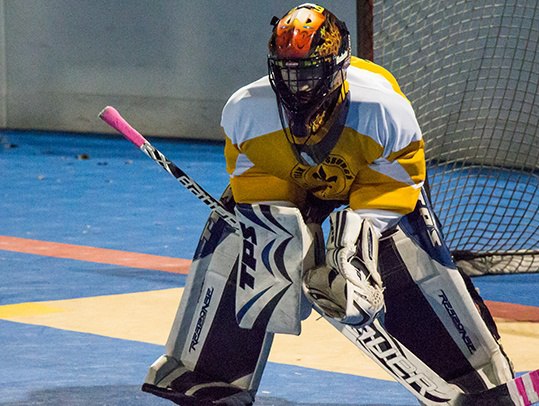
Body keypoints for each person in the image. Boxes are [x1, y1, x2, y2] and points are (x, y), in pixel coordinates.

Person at [141, 4, 515, 405]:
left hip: (367, 184)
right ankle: (206, 373)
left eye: (310, 72)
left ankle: (475, 376)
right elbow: (255, 179)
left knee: (405, 259)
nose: (298, 85)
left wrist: (355, 250)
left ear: (339, 65)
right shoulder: (245, 109)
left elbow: (395, 186)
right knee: (240, 244)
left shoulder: (383, 109)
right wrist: (285, 239)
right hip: (291, 182)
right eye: (288, 71)